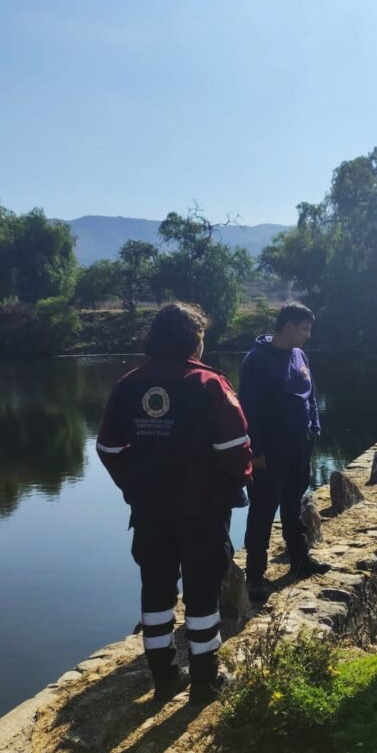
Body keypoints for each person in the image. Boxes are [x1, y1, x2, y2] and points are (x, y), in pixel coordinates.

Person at [96, 303, 252, 705]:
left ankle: (164, 678)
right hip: (202, 511)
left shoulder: (129, 384)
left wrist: (134, 485)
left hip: (149, 511)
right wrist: (235, 481)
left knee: (155, 590)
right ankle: (205, 681)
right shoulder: (209, 383)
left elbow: (108, 448)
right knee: (202, 593)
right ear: (194, 339)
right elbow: (236, 449)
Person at [240, 302, 331, 604]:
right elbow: (247, 409)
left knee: (293, 505)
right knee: (262, 511)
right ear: (288, 326)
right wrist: (255, 450)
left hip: (300, 446)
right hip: (269, 451)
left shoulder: (300, 356)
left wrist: (314, 427)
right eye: (304, 329)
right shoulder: (256, 360)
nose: (307, 335)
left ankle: (300, 560)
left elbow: (310, 396)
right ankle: (255, 577)